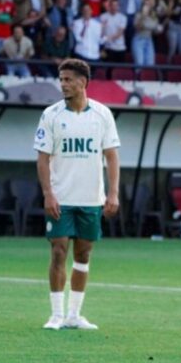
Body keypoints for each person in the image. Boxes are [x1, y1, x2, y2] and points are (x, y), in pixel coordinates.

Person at [34, 59, 121, 331]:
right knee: (59, 252)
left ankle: (74, 314)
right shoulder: (51, 115)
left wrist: (113, 193)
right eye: (61, 79)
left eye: (68, 79)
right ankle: (56, 315)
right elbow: (42, 159)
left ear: (83, 82)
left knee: (83, 255)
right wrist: (48, 194)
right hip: (61, 198)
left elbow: (112, 156)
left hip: (91, 199)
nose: (63, 84)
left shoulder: (102, 114)